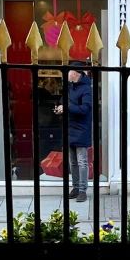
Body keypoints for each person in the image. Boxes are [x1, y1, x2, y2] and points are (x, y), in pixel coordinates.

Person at [55, 61, 92, 202]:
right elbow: (63, 101)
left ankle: (83, 190)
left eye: (68, 71)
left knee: (82, 161)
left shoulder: (86, 88)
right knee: (73, 162)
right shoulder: (69, 87)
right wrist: (59, 107)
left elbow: (85, 109)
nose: (66, 73)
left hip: (81, 129)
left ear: (75, 73)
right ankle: (76, 188)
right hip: (69, 128)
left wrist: (67, 108)